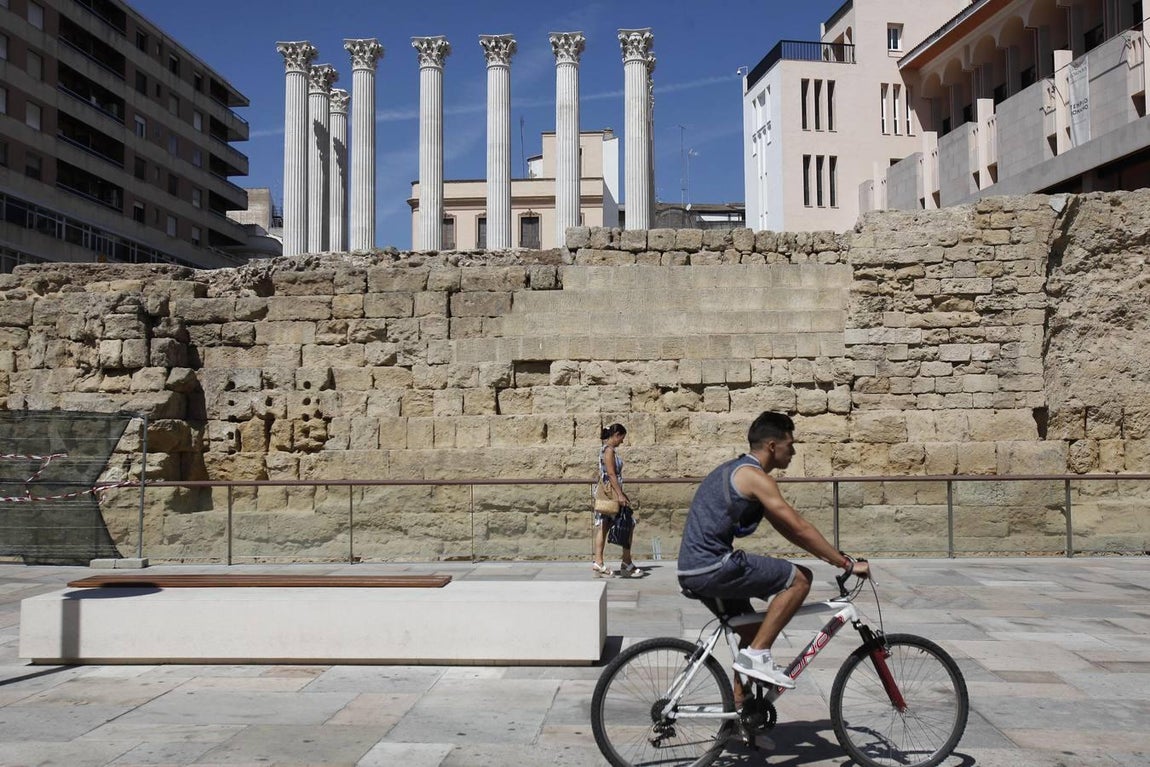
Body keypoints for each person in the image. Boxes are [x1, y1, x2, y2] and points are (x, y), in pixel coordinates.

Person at [677, 411, 869, 689]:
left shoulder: (737, 470)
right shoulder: (754, 477)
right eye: (790, 445)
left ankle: (739, 718)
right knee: (800, 579)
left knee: (753, 631)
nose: (793, 451)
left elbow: (790, 530)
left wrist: (832, 557)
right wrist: (845, 564)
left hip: (695, 568)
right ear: (771, 446)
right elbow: (800, 527)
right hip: (712, 565)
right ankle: (757, 655)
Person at [592, 423, 638, 577]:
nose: (622, 442)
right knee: (629, 523)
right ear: (616, 435)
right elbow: (611, 475)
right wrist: (619, 494)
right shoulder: (609, 451)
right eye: (622, 438)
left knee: (603, 527)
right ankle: (626, 562)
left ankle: (599, 562)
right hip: (611, 495)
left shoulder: (604, 449)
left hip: (610, 494)